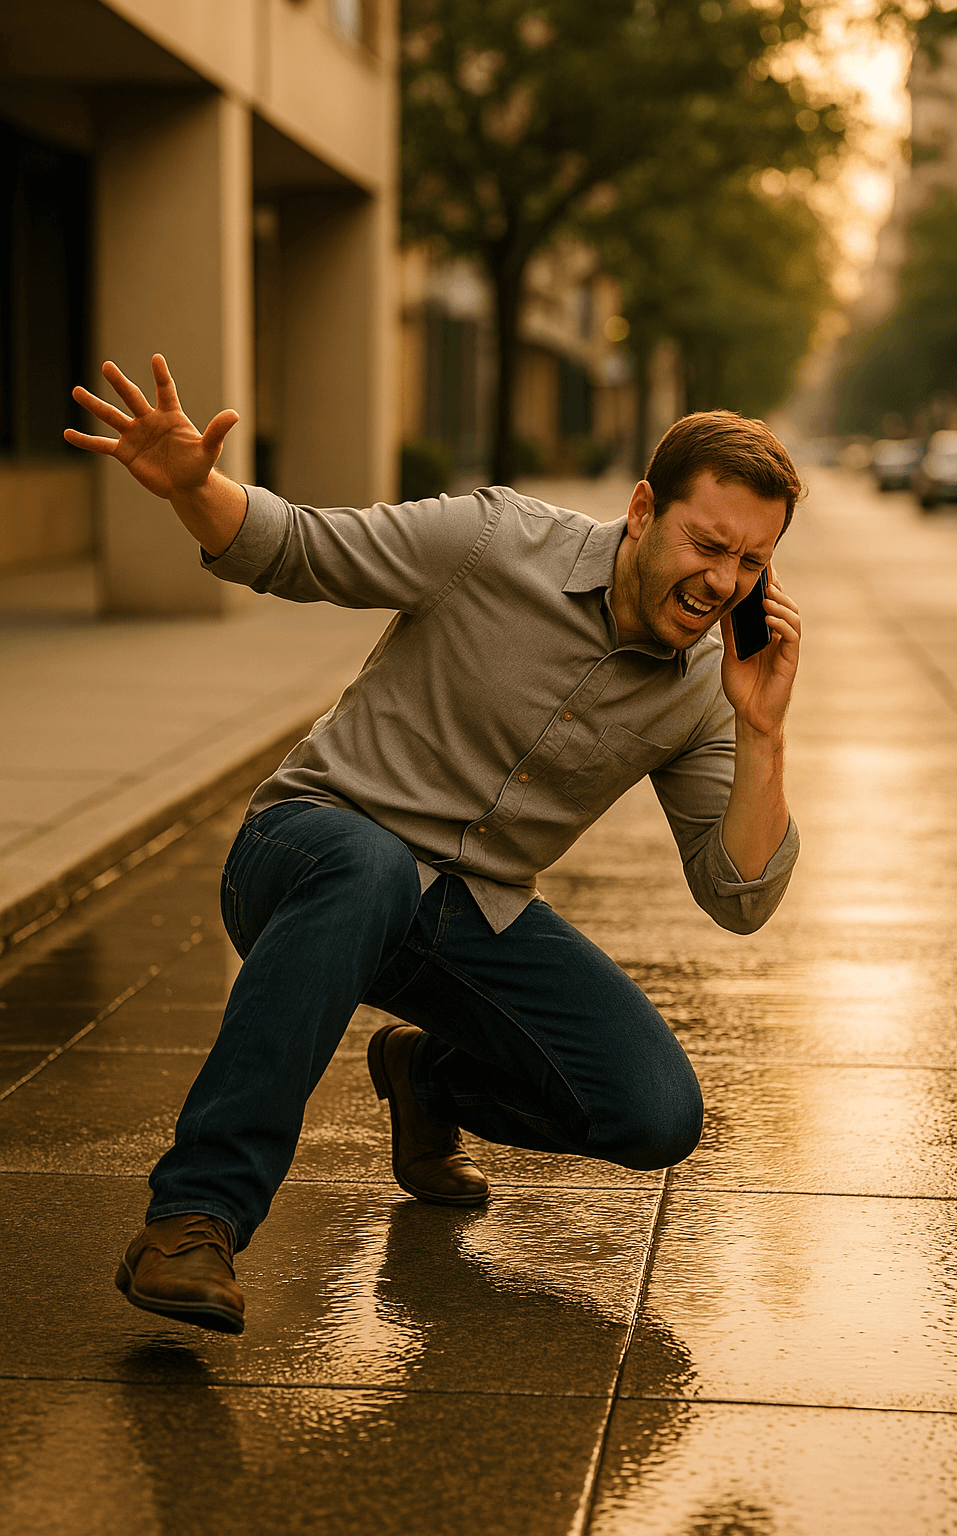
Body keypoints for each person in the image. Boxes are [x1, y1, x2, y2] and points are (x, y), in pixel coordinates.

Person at [66, 355, 802, 1335]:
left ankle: (428, 1075)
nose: (723, 582)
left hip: (466, 911)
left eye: (750, 564)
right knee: (370, 863)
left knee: (655, 1112)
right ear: (640, 511)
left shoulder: (707, 683)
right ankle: (195, 1216)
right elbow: (295, 548)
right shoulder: (493, 540)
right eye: (708, 544)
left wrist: (760, 729)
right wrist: (197, 486)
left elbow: (737, 896)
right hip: (309, 851)